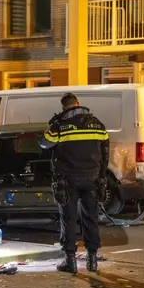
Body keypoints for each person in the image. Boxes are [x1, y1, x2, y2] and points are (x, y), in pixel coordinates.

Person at [39, 93, 110, 274]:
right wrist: (101, 176)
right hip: (92, 179)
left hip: (68, 180)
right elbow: (105, 153)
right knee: (91, 218)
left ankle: (70, 261)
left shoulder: (60, 126)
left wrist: (55, 123)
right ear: (78, 104)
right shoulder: (98, 124)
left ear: (64, 107)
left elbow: (44, 143)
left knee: (69, 219)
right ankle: (92, 260)